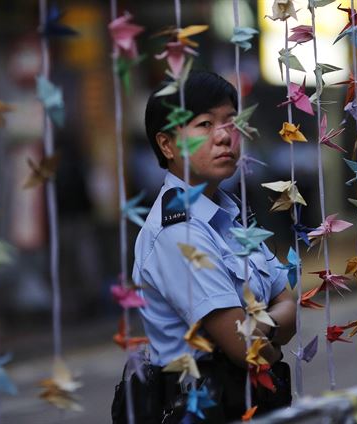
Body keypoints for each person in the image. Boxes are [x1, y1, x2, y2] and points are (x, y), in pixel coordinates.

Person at [112, 71, 296, 423]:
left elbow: (288, 301)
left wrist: (260, 328)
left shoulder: (228, 214)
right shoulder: (177, 232)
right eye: (205, 124)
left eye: (230, 122)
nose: (225, 136)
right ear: (167, 145)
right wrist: (269, 330)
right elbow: (247, 349)